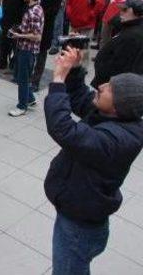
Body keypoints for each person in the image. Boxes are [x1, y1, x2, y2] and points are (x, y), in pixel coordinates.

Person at [44, 48, 143, 275]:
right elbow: (80, 96)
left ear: (119, 106)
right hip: (81, 215)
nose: (101, 86)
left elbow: (63, 129)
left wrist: (58, 79)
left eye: (110, 89)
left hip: (78, 228)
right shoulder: (112, 115)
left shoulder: (116, 140)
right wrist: (76, 69)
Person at [9, 0, 44, 117]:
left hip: (27, 50)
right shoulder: (32, 8)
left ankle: (21, 106)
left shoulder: (35, 11)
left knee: (23, 79)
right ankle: (30, 98)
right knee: (22, 76)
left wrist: (19, 35)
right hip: (23, 47)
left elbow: (37, 36)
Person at [92, 0, 143, 88]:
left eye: (125, 10)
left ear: (137, 12)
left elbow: (120, 65)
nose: (121, 12)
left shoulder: (133, 36)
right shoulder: (129, 27)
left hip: (112, 86)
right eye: (120, 9)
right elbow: (113, 21)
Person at [32, 0, 65, 90]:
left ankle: (35, 81)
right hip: (31, 24)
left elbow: (53, 11)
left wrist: (38, 11)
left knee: (41, 54)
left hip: (45, 26)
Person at [66, 0, 105, 67]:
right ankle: (70, 69)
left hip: (86, 25)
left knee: (84, 49)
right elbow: (69, 2)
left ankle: (82, 71)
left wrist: (90, 15)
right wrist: (69, 13)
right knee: (72, 48)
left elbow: (100, 4)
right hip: (73, 23)